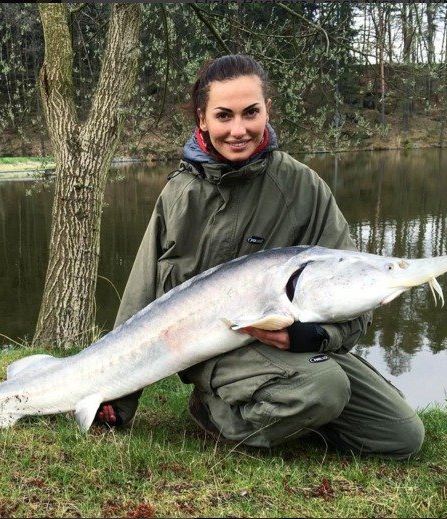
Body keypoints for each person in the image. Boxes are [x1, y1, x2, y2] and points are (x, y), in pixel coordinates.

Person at [94, 55, 424, 459]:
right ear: (203, 119)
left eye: (251, 112)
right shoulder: (179, 195)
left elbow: (357, 294)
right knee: (323, 389)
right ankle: (218, 414)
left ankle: (294, 411)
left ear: (267, 109)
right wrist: (119, 400)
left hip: (295, 350)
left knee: (400, 437)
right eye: (223, 115)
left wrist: (318, 336)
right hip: (210, 349)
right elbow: (140, 297)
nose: (238, 130)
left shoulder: (304, 187)